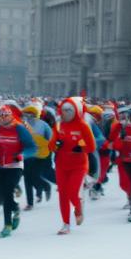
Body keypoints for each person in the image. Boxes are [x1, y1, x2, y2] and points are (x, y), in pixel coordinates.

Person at [0, 104, 35, 237]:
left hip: (14, 166)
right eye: (0, 116)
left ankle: (7, 225)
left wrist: (22, 156)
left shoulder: (20, 129)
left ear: (11, 116)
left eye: (5, 116)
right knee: (0, 194)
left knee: (8, 192)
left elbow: (32, 147)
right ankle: (16, 208)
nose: (2, 118)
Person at [49, 98, 95, 234]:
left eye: (69, 111)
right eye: (64, 110)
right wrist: (56, 145)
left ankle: (78, 207)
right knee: (63, 194)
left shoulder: (83, 126)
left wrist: (80, 147)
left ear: (75, 111)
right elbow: (50, 145)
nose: (66, 113)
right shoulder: (58, 125)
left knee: (72, 192)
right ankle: (66, 224)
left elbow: (91, 146)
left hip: (78, 165)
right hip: (61, 164)